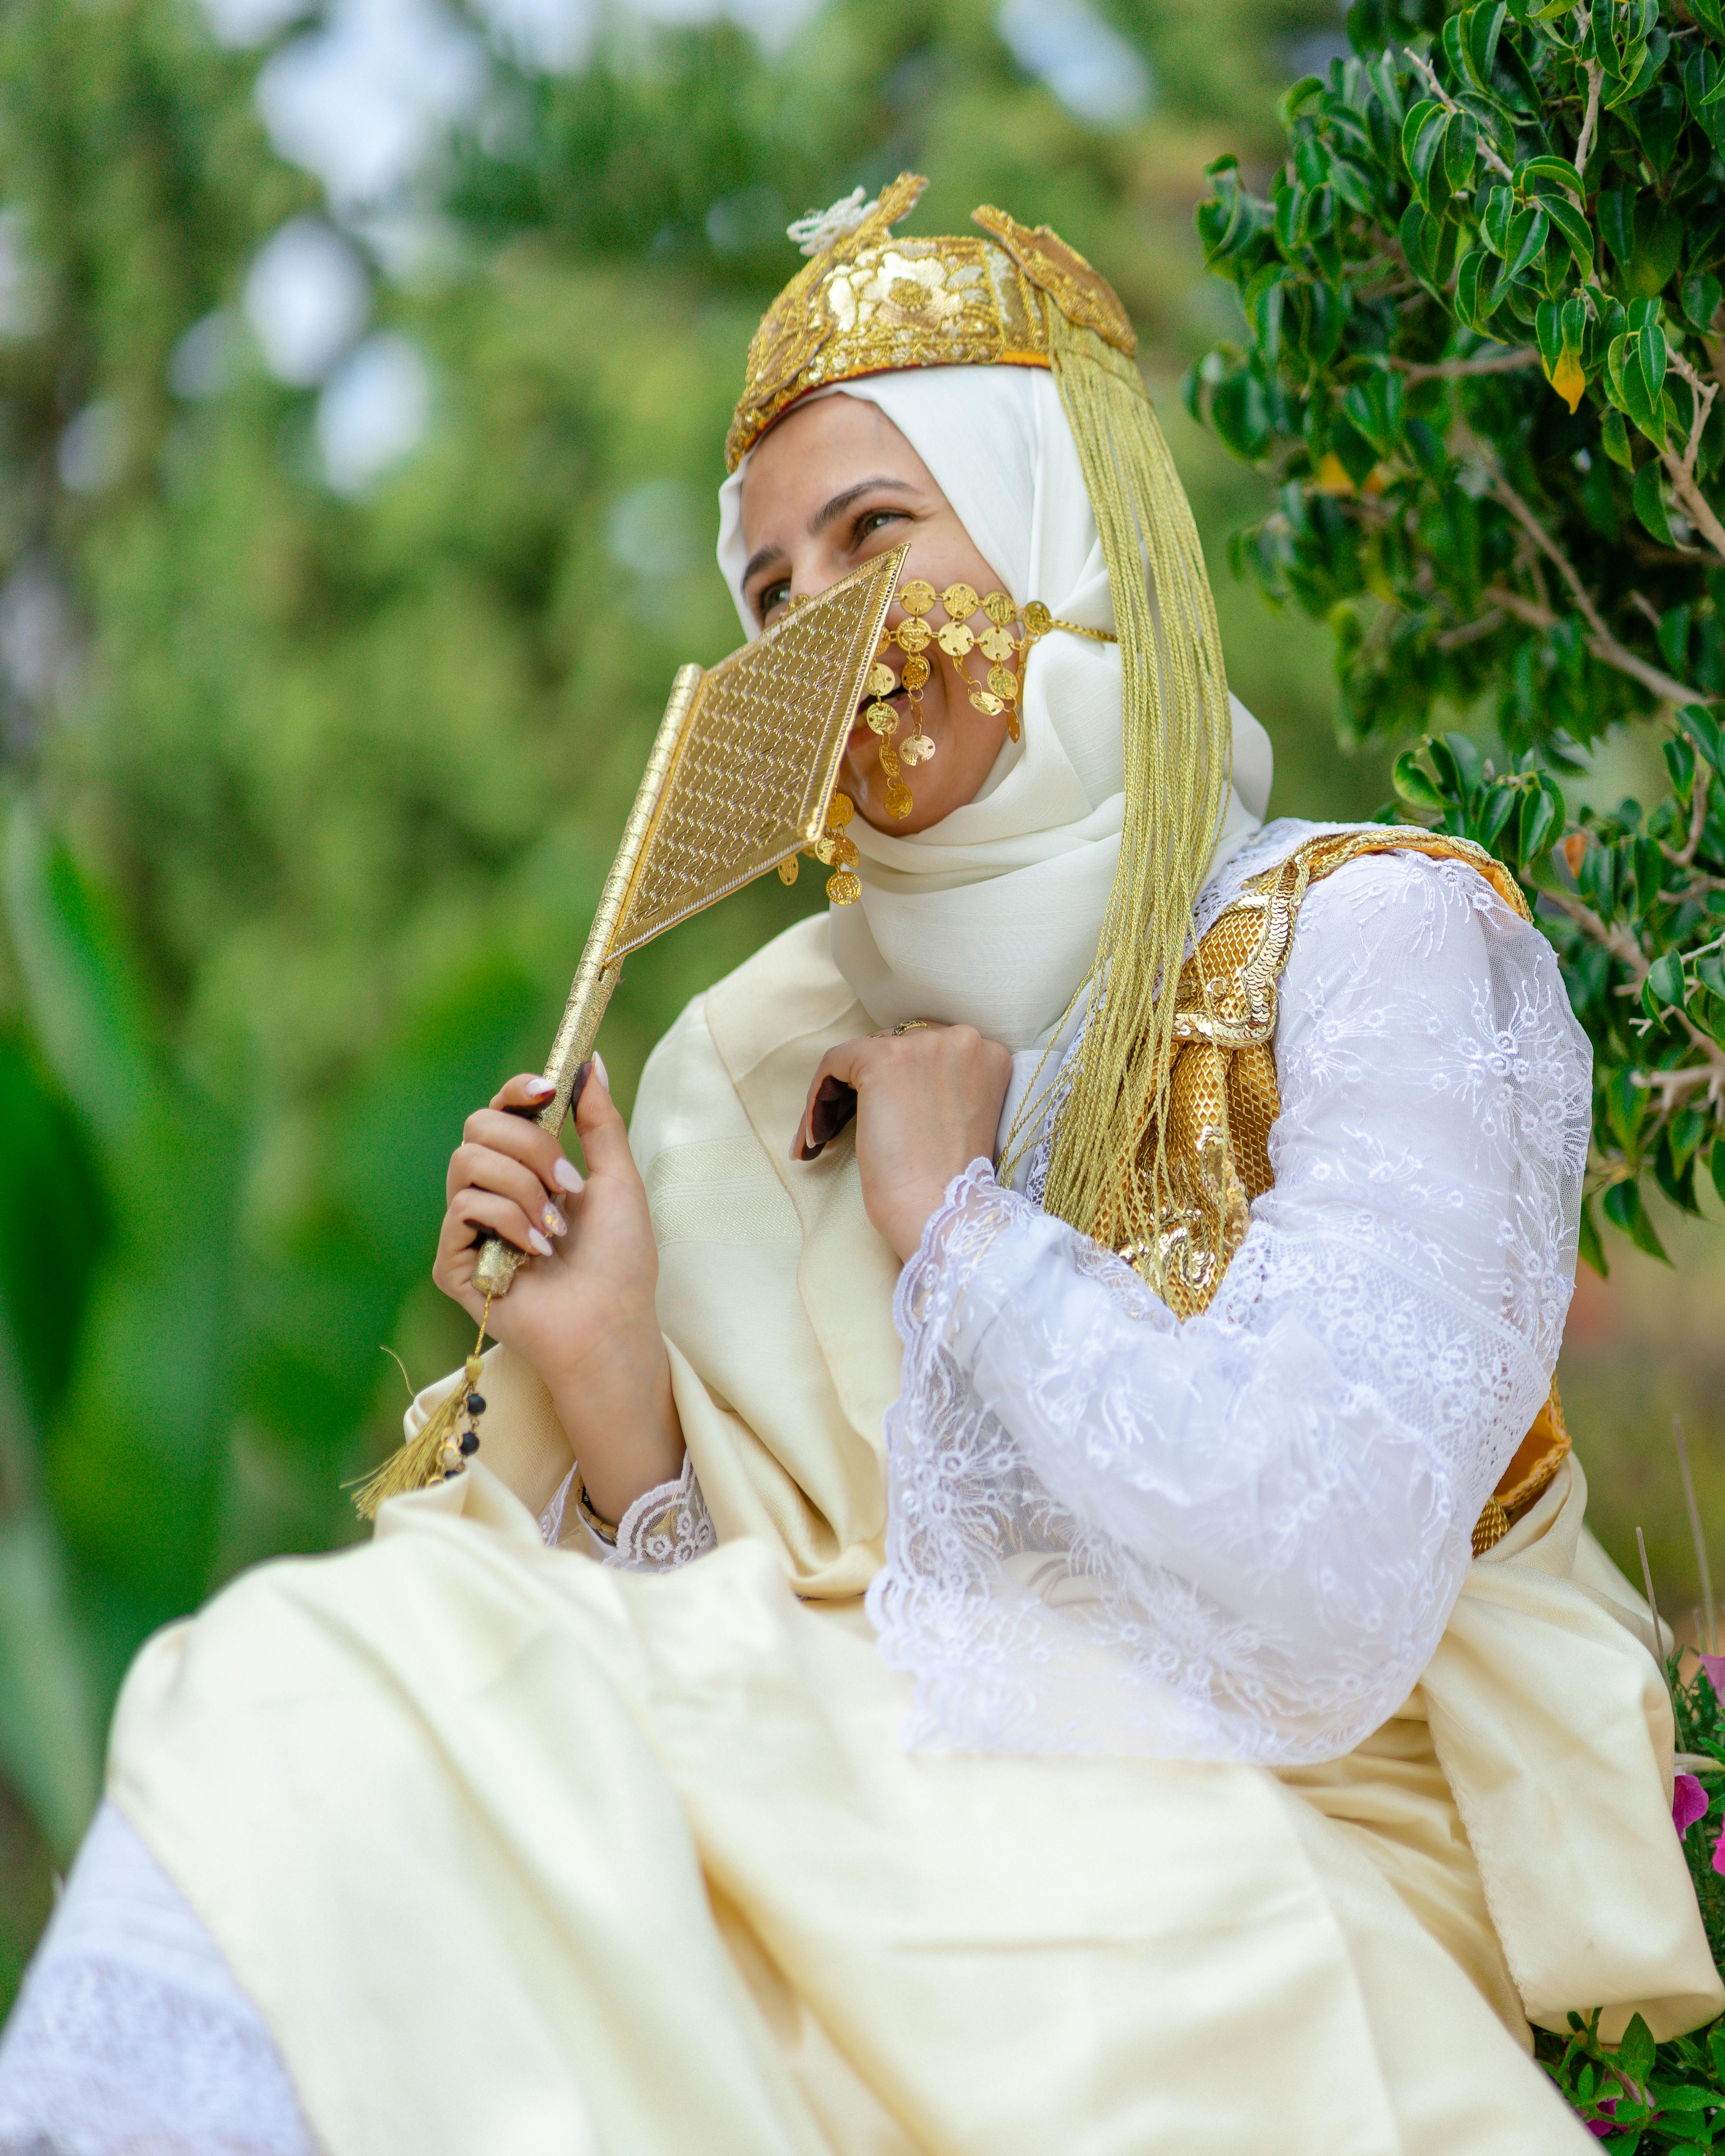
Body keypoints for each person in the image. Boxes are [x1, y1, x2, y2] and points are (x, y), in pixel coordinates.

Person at [0, 174, 1717, 2156]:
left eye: (873, 531)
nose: (823, 623)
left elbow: (1320, 1588)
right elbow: (775, 1681)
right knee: (301, 1687)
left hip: (1264, 1906)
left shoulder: (1379, 947)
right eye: (765, 591)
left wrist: (957, 1227)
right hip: (905, 1869)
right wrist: (616, 1389)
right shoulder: (754, 1056)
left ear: (1067, 526)